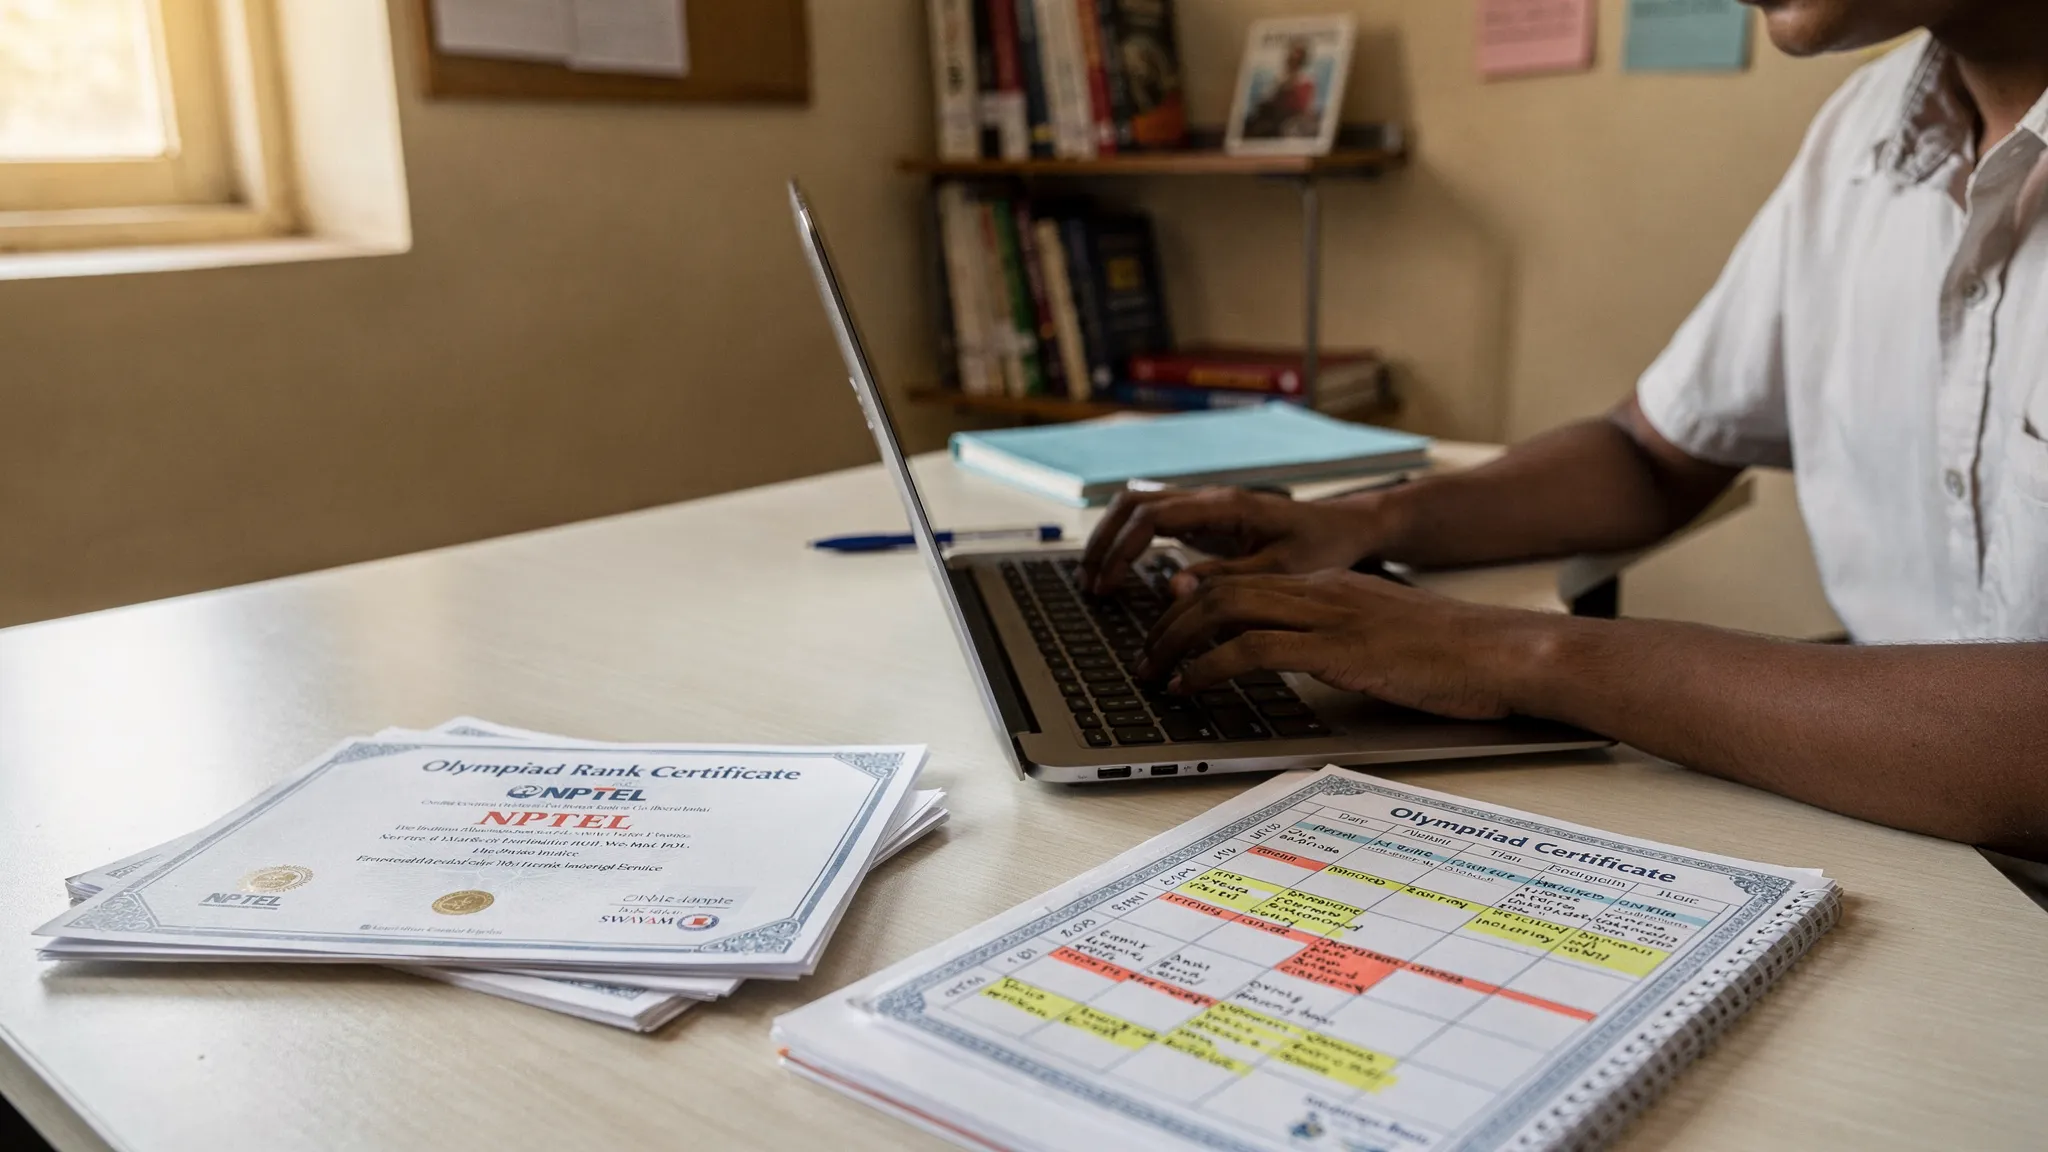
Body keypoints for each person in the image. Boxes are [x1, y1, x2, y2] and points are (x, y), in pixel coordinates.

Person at [1080, 0, 2048, 861]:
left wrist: (1511, 653)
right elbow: (1650, 452)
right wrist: (1366, 524)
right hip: (1898, 834)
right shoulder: (1863, 132)